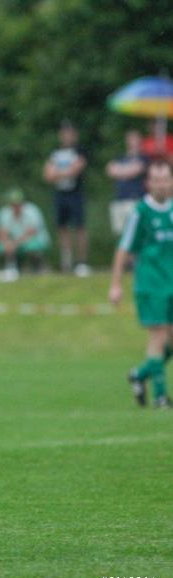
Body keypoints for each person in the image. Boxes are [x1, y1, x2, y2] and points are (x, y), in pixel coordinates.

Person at [109, 160, 173, 409]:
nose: (161, 184)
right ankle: (160, 396)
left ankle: (139, 374)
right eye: (156, 179)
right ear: (148, 183)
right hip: (150, 284)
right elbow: (124, 248)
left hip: (171, 283)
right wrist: (116, 284)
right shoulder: (141, 212)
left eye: (165, 179)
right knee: (157, 337)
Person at [43, 121, 90, 276]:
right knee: (62, 228)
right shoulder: (55, 152)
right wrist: (63, 172)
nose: (67, 136)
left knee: (80, 227)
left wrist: (58, 173)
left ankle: (82, 262)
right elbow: (47, 175)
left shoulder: (80, 150)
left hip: (75, 193)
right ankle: (67, 261)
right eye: (64, 132)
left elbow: (76, 169)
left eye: (69, 132)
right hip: (60, 194)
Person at [0, 187, 50, 282]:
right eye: (13, 204)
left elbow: (32, 232)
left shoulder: (32, 211)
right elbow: (2, 233)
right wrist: (7, 243)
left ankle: (39, 267)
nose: (15, 207)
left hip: (33, 239)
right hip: (14, 241)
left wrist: (15, 243)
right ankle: (9, 268)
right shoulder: (4, 213)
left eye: (17, 204)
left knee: (32, 247)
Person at [106, 130, 149, 236]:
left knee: (136, 233)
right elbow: (110, 170)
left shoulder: (144, 158)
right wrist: (127, 171)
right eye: (130, 138)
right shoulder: (120, 157)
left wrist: (120, 171)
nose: (132, 141)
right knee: (121, 235)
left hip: (136, 200)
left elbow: (136, 170)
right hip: (119, 200)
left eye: (135, 138)